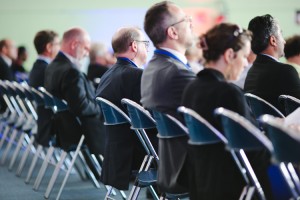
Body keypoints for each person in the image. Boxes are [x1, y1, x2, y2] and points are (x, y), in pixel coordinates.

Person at [182, 23, 272, 199]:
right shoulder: (229, 93)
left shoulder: (190, 89)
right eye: (245, 56)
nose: (246, 63)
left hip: (202, 180)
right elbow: (253, 148)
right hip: (234, 182)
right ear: (230, 55)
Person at [141, 1, 196, 194]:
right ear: (172, 32)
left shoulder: (153, 67)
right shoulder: (177, 73)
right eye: (186, 19)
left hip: (169, 166)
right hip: (189, 168)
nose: (191, 23)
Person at [96, 26, 156, 190]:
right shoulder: (136, 76)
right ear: (134, 46)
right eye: (145, 44)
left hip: (116, 152)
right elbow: (154, 116)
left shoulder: (107, 75)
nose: (147, 49)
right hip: (139, 152)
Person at [45, 27, 104, 156]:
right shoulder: (71, 71)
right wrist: (100, 108)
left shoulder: (52, 66)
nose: (87, 53)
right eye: (86, 48)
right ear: (74, 44)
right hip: (82, 130)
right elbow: (81, 107)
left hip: (63, 127)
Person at [244, 14, 300, 112]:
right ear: (273, 40)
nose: (284, 42)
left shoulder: (251, 72)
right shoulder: (286, 71)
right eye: (281, 35)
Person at [28, 30, 60, 146]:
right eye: (58, 44)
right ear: (49, 47)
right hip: (52, 123)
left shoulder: (37, 67)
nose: (60, 48)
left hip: (43, 122)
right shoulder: (48, 70)